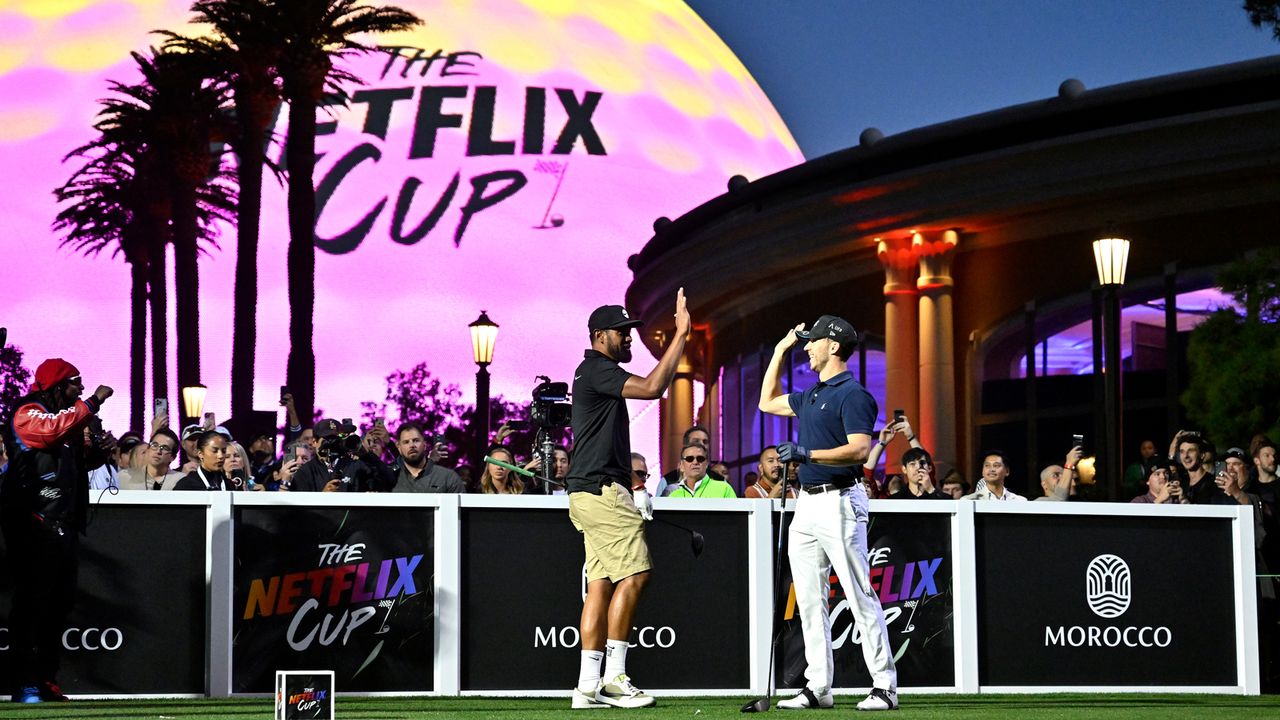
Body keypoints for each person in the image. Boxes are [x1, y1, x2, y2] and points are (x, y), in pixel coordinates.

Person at [758, 315, 897, 711]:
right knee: (809, 599)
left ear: (833, 347)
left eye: (812, 342)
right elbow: (766, 402)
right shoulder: (812, 394)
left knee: (858, 594)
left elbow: (858, 450)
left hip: (841, 500)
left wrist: (806, 454)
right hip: (808, 502)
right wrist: (781, 348)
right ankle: (818, 686)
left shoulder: (853, 394)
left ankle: (884, 686)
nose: (807, 348)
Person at [567, 292, 689, 710]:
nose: (629, 340)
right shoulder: (598, 368)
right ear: (599, 337)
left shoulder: (592, 372)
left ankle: (587, 686)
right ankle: (615, 679)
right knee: (636, 575)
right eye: (622, 334)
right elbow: (654, 387)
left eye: (629, 333)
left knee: (600, 585)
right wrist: (682, 336)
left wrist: (632, 484)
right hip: (600, 492)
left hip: (592, 490)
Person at [0, 358, 113, 703]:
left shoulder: (69, 424)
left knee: (59, 605)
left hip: (63, 524)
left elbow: (70, 457)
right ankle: (24, 682)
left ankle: (46, 678)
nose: (80, 388)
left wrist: (97, 453)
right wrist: (92, 402)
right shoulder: (26, 412)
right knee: (32, 604)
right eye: (76, 382)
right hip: (31, 522)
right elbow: (49, 431)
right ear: (57, 385)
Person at [390, 423, 464, 493]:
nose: (412, 445)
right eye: (406, 442)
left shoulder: (448, 477)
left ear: (424, 445)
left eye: (416, 440)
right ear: (398, 447)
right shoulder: (389, 476)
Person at [117, 428, 185, 490]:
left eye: (165, 448)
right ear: (148, 449)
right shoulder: (124, 477)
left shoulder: (179, 480)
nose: (158, 451)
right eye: (155, 445)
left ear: (173, 457)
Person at [666, 442, 737, 498]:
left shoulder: (724, 489)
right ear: (681, 466)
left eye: (700, 458)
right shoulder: (674, 495)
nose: (695, 462)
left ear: (706, 464)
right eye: (689, 459)